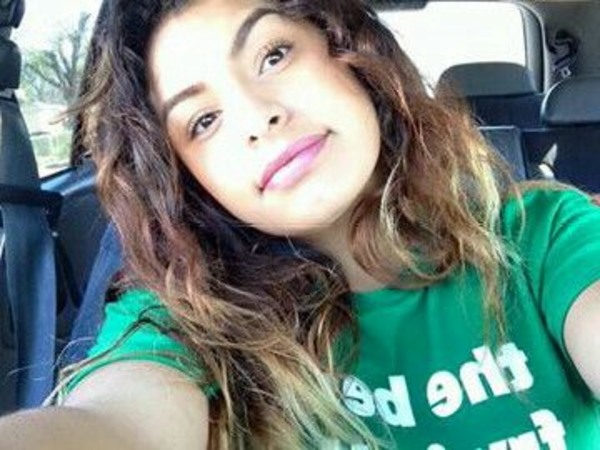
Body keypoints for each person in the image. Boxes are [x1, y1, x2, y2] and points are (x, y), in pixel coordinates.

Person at [1, 0, 600, 449]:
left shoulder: (545, 237)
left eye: (274, 55)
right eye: (204, 120)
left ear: (349, 52)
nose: (257, 117)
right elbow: (116, 423)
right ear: (187, 178)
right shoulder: (184, 319)